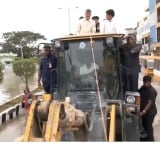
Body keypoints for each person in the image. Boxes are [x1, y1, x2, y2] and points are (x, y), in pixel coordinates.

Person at [139, 75, 157, 141]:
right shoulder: (143, 88)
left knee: (148, 127)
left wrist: (143, 112)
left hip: (150, 112)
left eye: (147, 82)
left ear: (150, 82)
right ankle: (145, 140)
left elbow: (149, 103)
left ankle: (151, 140)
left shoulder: (152, 91)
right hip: (144, 112)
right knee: (144, 126)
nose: (145, 84)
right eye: (144, 82)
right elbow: (138, 93)